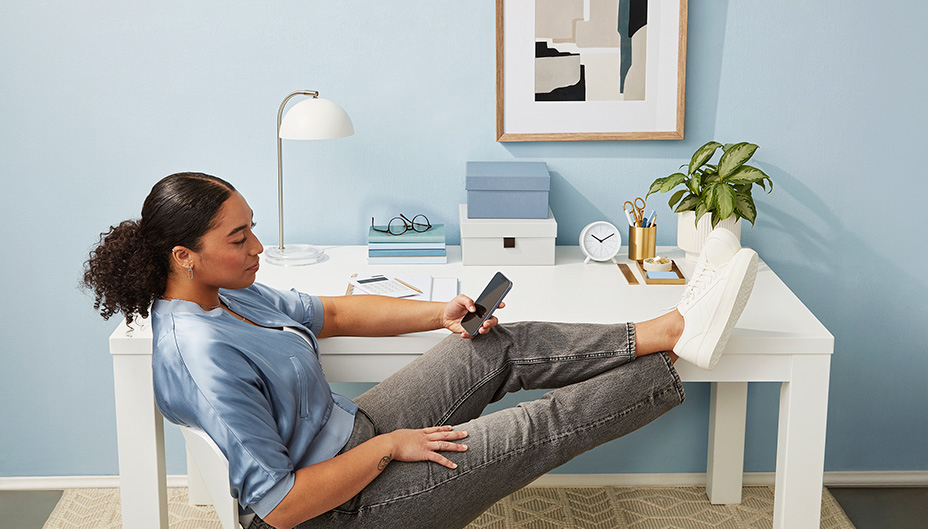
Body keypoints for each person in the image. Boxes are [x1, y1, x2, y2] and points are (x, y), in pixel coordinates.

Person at [82, 172, 758, 529]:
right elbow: (281, 506)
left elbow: (337, 310)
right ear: (184, 255)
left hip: (353, 435)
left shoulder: (230, 292)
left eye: (253, 227)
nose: (258, 246)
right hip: (333, 511)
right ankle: (673, 362)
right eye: (240, 236)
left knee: (492, 345)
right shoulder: (199, 353)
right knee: (532, 428)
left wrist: (439, 313)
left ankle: (668, 327)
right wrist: (388, 447)